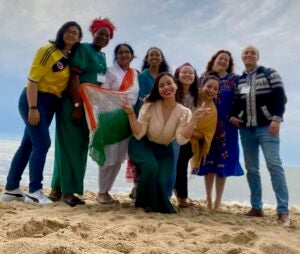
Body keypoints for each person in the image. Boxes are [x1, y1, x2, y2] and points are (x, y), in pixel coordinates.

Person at [0, 21, 82, 204]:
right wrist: (33, 108)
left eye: (75, 33)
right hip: (36, 100)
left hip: (51, 103)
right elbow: (32, 81)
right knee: (42, 143)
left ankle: (11, 189)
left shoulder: (68, 58)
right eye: (68, 31)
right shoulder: (48, 51)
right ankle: (35, 191)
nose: (71, 34)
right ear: (61, 33)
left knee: (27, 145)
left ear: (79, 38)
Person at [49, 18, 115, 207]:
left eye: (107, 35)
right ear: (93, 32)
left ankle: (56, 189)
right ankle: (68, 193)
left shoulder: (102, 57)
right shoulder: (83, 49)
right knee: (72, 147)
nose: (103, 37)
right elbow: (73, 77)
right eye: (100, 33)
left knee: (73, 146)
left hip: (88, 108)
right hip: (73, 104)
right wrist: (77, 106)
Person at [122, 72, 210, 213]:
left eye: (169, 83)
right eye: (161, 85)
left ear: (176, 86)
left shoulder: (184, 112)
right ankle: (140, 205)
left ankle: (152, 203)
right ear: (157, 90)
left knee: (161, 181)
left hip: (164, 150)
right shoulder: (149, 106)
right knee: (151, 167)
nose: (166, 87)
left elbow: (181, 138)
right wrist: (131, 114)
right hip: (142, 145)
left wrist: (194, 119)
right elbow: (139, 133)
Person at [230, 45, 289, 225]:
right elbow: (236, 102)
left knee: (274, 165)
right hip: (246, 130)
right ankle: (256, 207)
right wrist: (233, 116)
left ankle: (283, 211)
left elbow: (280, 98)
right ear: (242, 57)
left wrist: (276, 119)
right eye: (246, 53)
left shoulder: (270, 73)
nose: (249, 55)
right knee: (252, 168)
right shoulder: (239, 80)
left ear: (258, 56)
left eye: (252, 52)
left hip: (267, 128)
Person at [194, 50, 244, 210]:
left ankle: (217, 202)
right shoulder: (203, 78)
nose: (223, 61)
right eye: (220, 58)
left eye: (226, 60)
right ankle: (208, 199)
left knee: (222, 165)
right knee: (208, 162)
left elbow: (242, 99)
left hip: (227, 127)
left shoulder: (234, 80)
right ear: (214, 60)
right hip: (207, 125)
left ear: (229, 64)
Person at [96, 43, 139, 204]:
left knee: (119, 157)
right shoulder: (110, 71)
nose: (124, 55)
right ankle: (101, 191)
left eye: (127, 52)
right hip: (111, 118)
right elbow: (103, 93)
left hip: (128, 120)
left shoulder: (136, 74)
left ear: (132, 55)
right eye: (120, 52)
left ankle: (107, 191)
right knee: (108, 155)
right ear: (116, 55)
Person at [126, 47, 170, 199]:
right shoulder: (141, 76)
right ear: (147, 58)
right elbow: (137, 96)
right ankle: (137, 187)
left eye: (157, 54)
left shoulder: (166, 77)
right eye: (151, 55)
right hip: (142, 118)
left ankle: (149, 188)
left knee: (154, 155)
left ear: (161, 58)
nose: (154, 57)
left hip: (161, 121)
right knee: (142, 155)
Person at [172, 63, 199, 208]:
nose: (188, 75)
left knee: (182, 164)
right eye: (185, 72)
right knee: (172, 164)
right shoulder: (173, 91)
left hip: (188, 135)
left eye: (191, 73)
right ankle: (174, 195)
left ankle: (182, 198)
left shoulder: (197, 96)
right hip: (171, 134)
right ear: (178, 74)